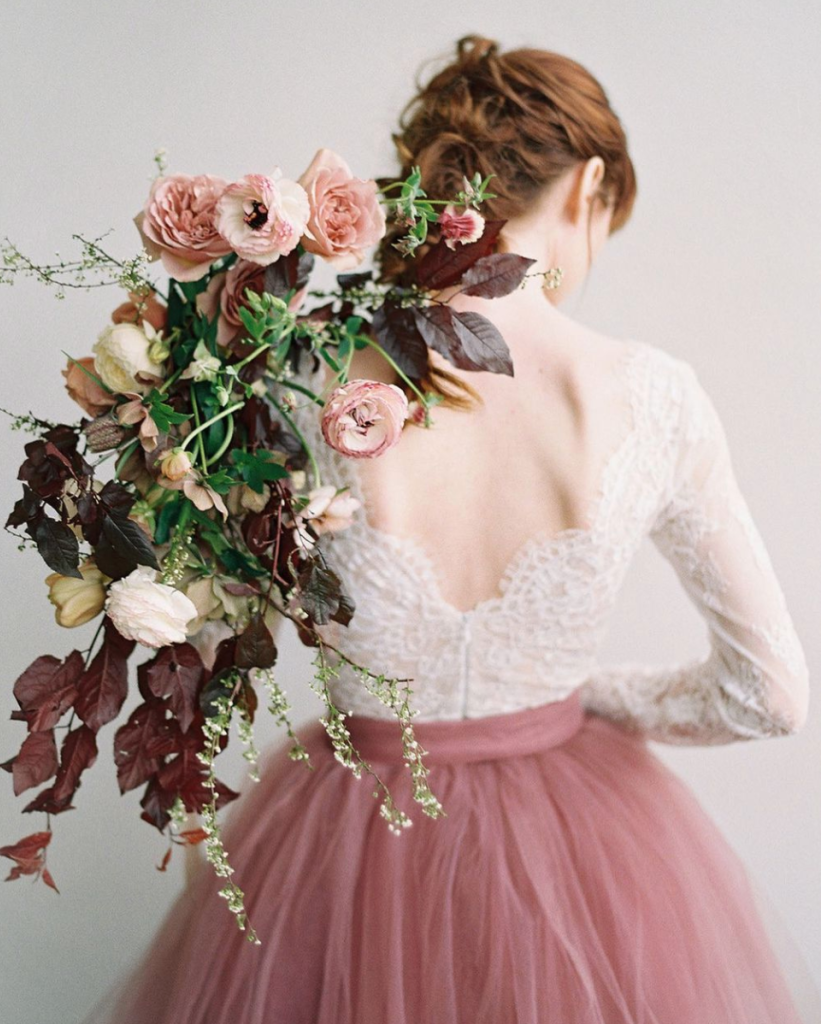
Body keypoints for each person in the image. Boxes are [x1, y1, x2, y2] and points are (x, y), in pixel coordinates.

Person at [78, 35, 819, 1023]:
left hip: (331, 854)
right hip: (583, 855)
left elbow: (200, 638)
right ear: (588, 185)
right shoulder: (653, 399)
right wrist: (588, 699)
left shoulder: (299, 377)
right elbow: (766, 694)